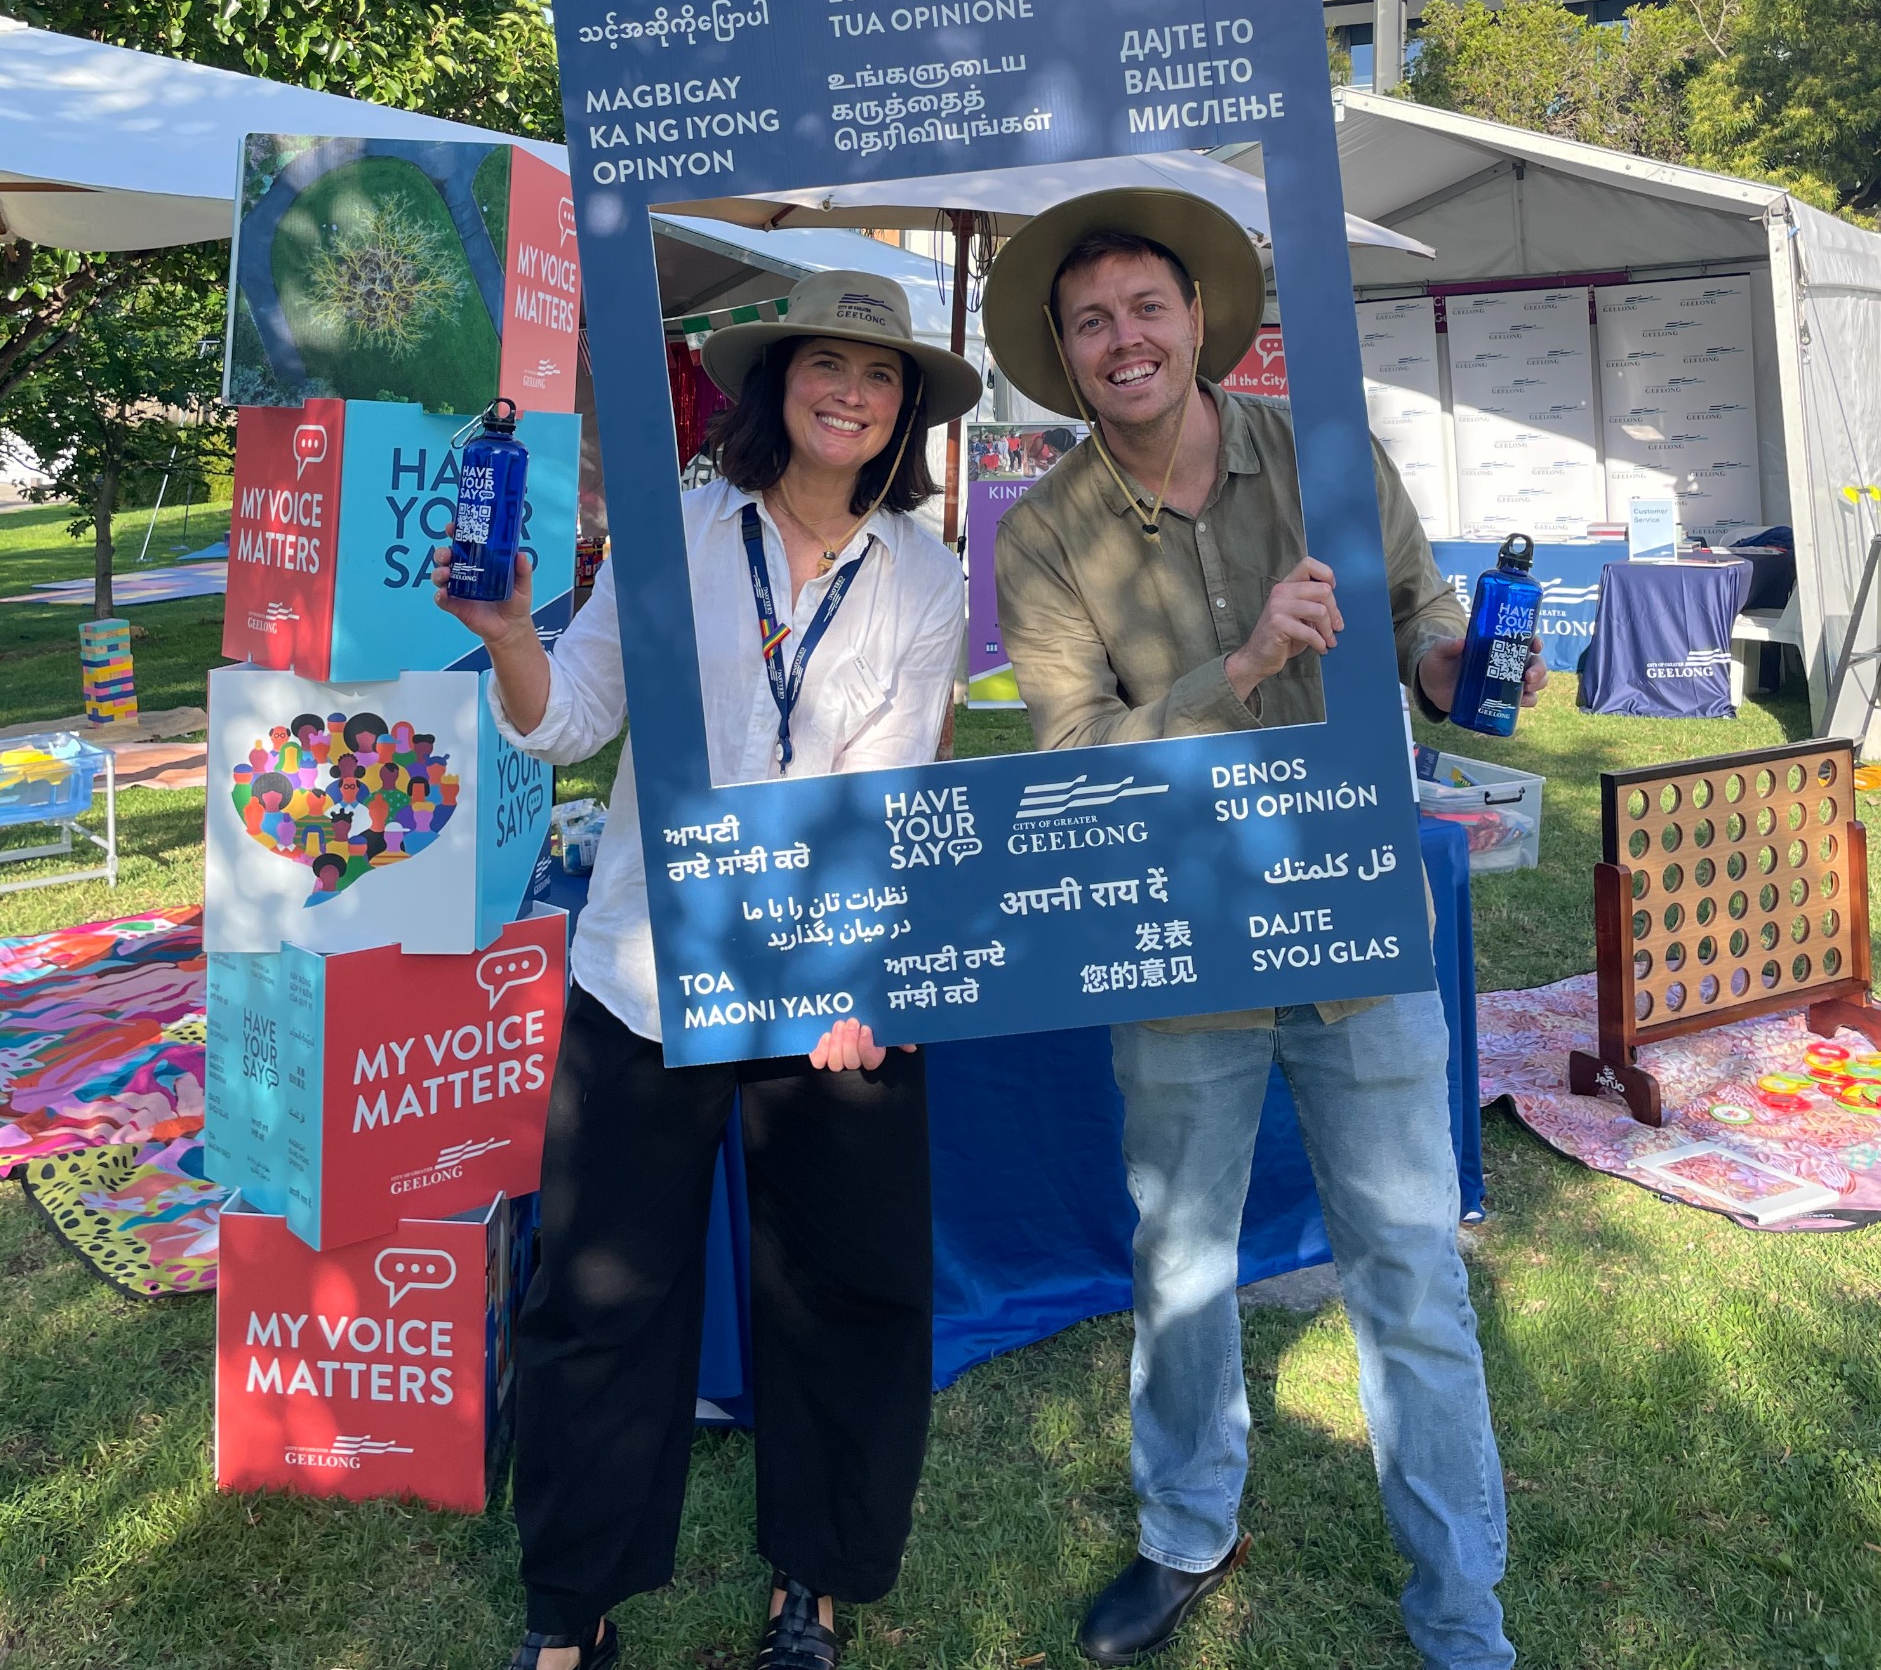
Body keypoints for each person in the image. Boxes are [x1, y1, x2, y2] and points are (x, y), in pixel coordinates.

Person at [984, 188, 1544, 1670]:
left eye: (1145, 308)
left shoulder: (1326, 457)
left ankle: (1459, 1602)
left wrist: (1452, 663)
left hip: (1358, 907)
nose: (1124, 338)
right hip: (1178, 935)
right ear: (1062, 348)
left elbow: (1426, 620)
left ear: (1196, 320)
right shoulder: (1044, 533)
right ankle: (1186, 1529)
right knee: (1178, 1258)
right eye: (1092, 319)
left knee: (1409, 1262)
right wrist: (1238, 666)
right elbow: (1068, 759)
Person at [433, 272, 980, 1670]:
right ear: (776, 382)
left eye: (878, 372)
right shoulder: (675, 536)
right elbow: (579, 721)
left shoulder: (928, 576)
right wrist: (512, 643)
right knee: (601, 1294)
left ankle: (816, 1579)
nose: (849, 392)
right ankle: (575, 1607)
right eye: (824, 364)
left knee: (847, 1289)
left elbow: (885, 785)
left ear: (905, 404)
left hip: (829, 992)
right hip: (642, 970)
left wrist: (857, 983)